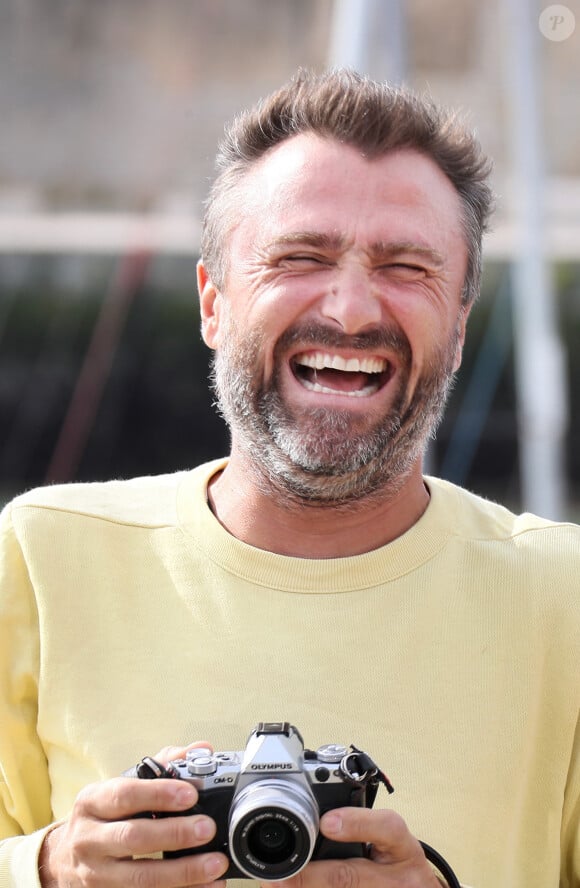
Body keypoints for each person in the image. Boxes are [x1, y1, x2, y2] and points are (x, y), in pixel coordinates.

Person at [0, 68, 578, 888]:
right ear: (213, 300)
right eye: (300, 255)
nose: (349, 310)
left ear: (458, 328)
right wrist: (53, 866)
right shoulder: (40, 557)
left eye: (406, 267)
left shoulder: (567, 599)